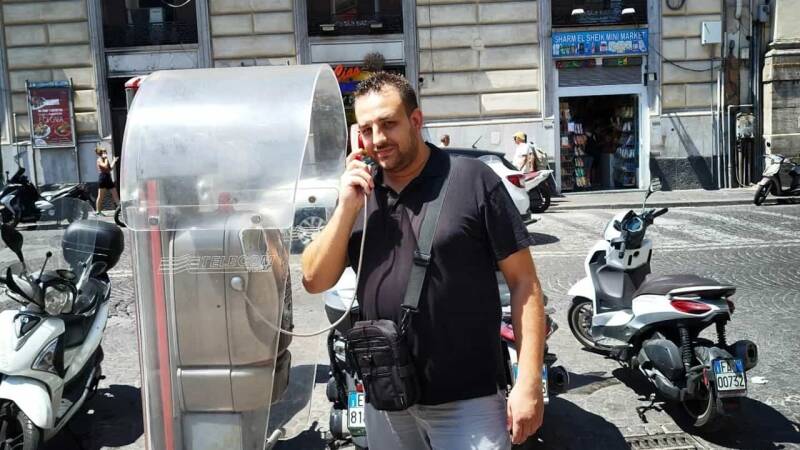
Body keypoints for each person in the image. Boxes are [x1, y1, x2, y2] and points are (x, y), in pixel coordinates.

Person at [301, 72, 546, 449]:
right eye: (366, 129)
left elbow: (524, 283)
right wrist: (346, 206)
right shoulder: (360, 195)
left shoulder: (472, 180)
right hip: (386, 398)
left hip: (467, 402)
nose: (378, 139)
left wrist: (528, 381)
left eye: (388, 123)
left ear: (415, 120)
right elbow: (314, 279)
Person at [95, 146, 118, 215]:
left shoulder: (106, 159)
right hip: (103, 178)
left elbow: (110, 169)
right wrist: (105, 159)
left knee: (115, 194)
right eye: (104, 152)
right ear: (101, 153)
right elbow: (104, 166)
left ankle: (120, 208)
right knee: (100, 196)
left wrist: (114, 161)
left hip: (108, 177)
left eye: (106, 152)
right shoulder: (99, 160)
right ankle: (98, 211)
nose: (105, 153)